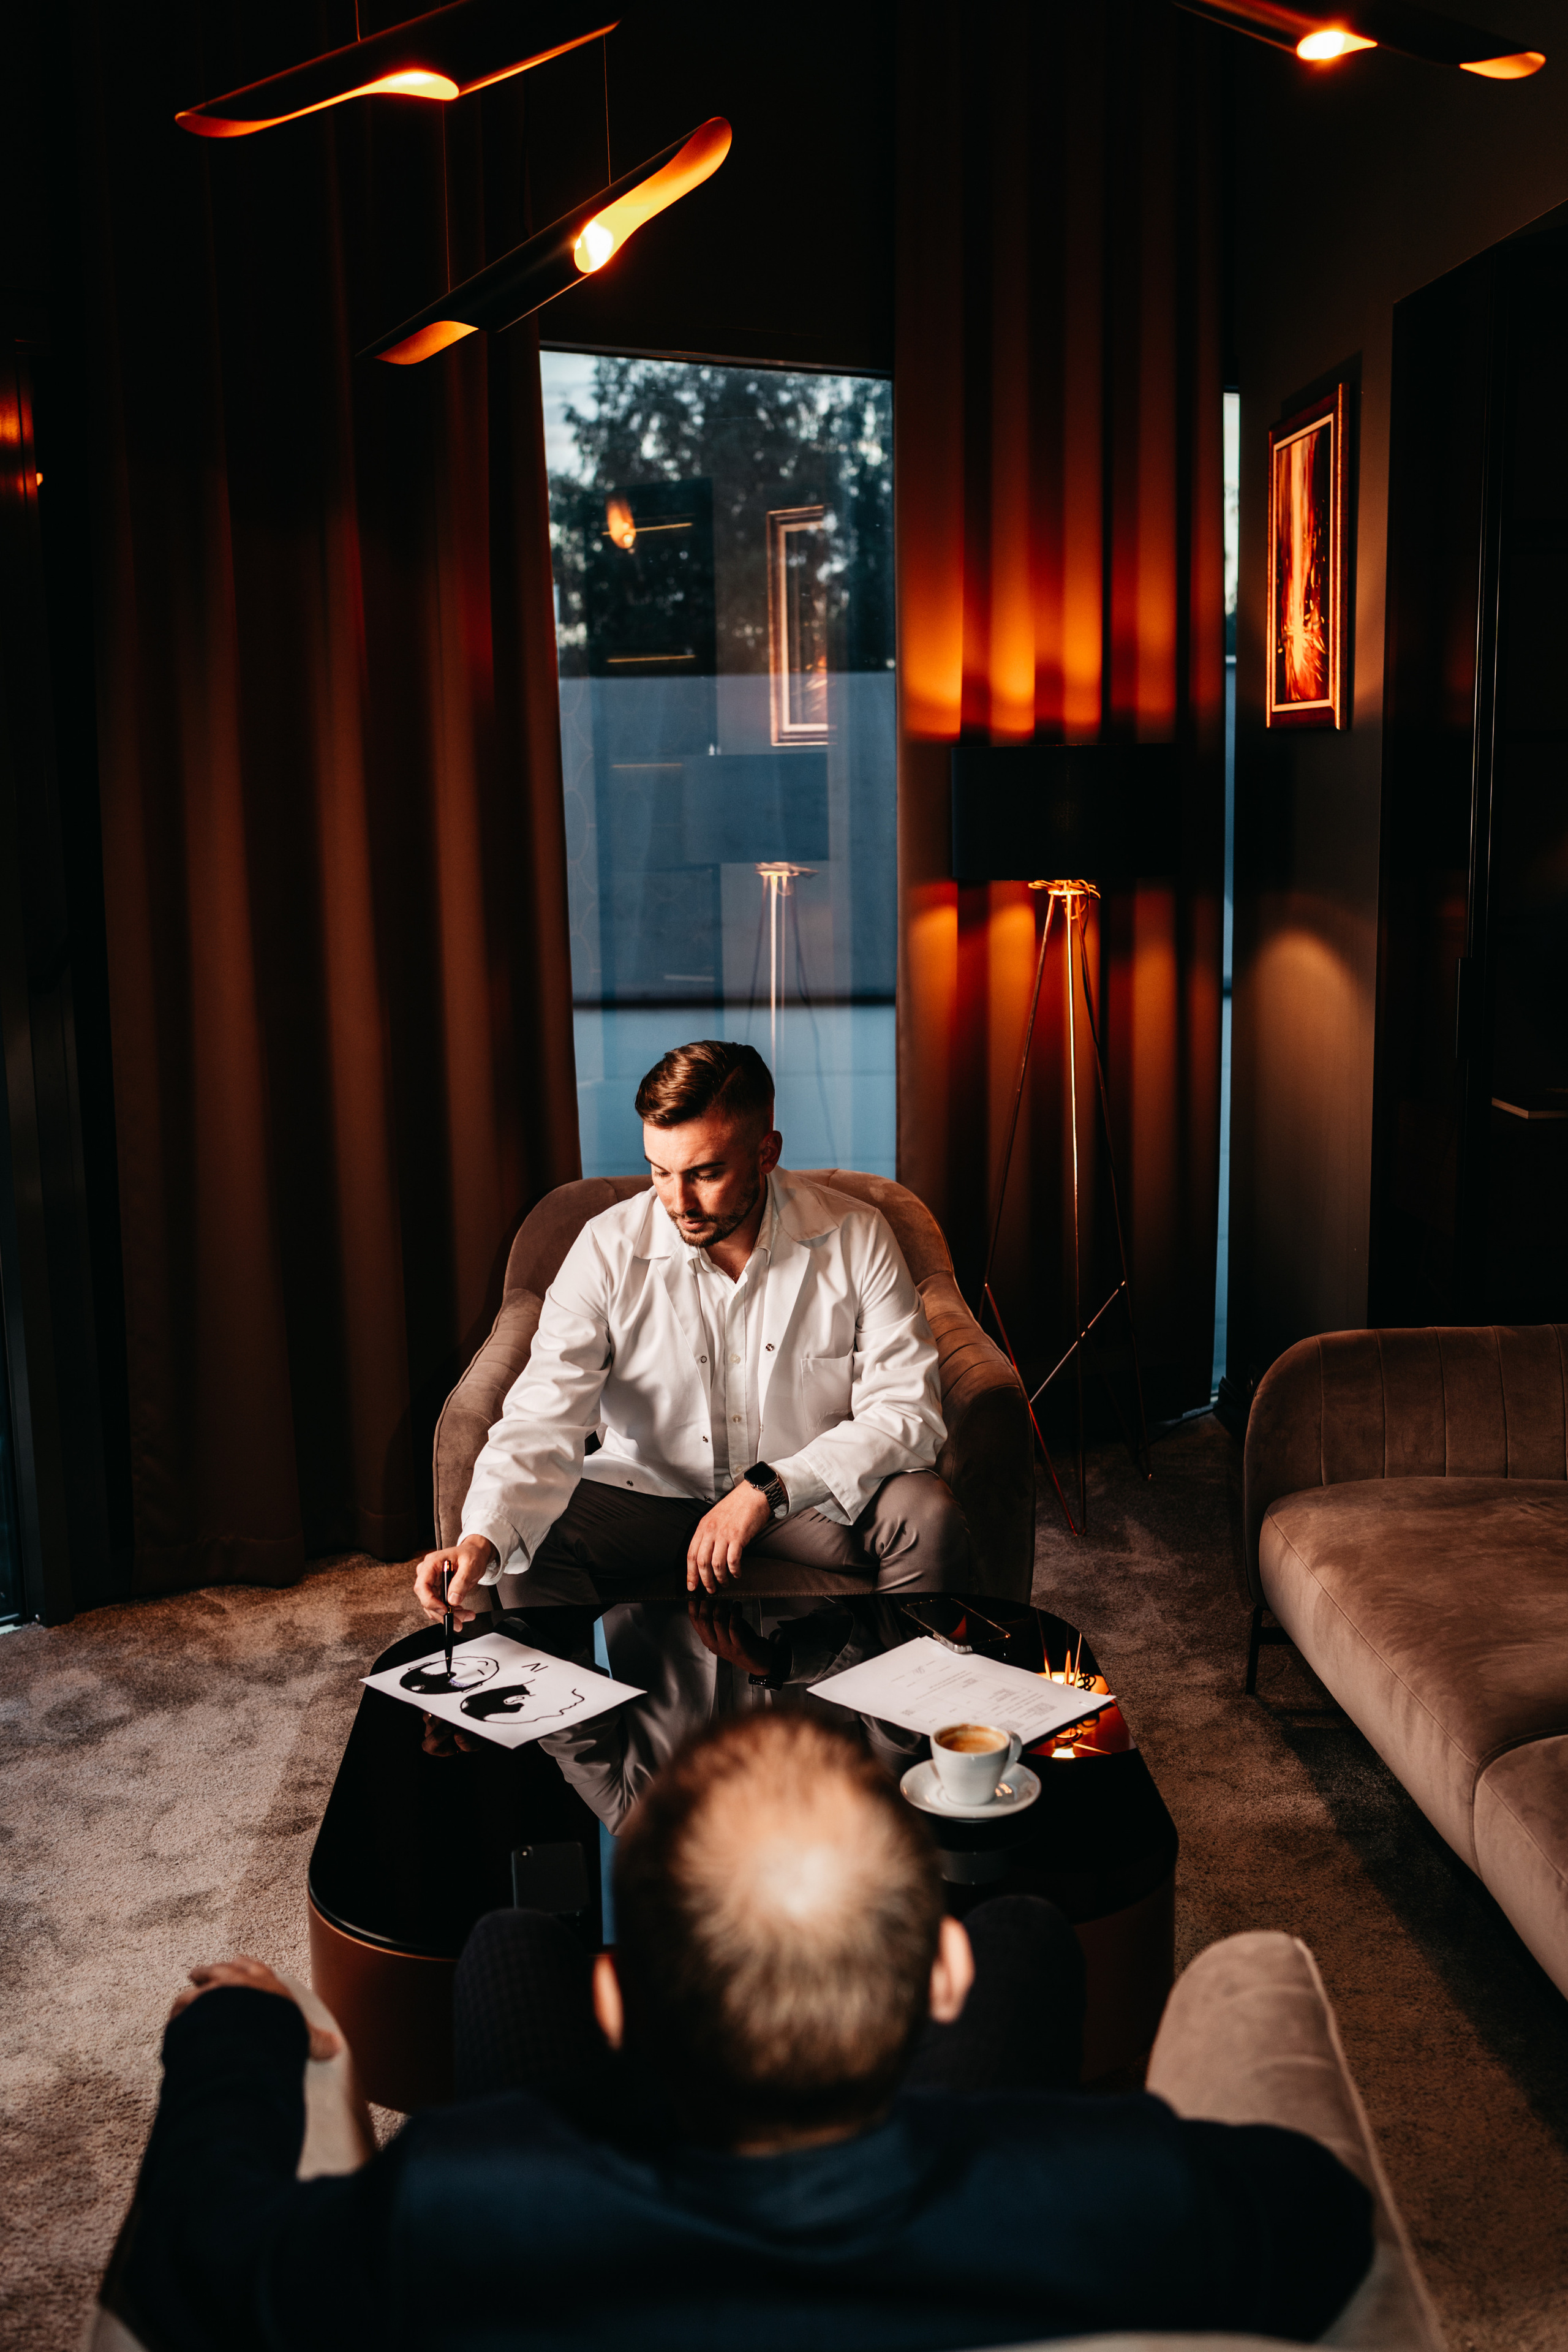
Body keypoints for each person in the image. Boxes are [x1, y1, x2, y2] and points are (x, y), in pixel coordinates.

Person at [115, 1713, 1374, 2352]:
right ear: (936, 1977)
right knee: (1032, 1930)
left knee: (506, 1946)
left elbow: (190, 2264)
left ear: (617, 2009)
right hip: (947, 2187)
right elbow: (1325, 2219)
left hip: (571, 2218)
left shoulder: (451, 2199)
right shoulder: (1111, 2186)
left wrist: (232, 2035)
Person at [413, 1039, 967, 1619]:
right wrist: (483, 1535)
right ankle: (584, 1711)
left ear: (766, 1152)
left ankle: (898, 1704)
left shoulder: (858, 1235)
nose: (679, 1202)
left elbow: (907, 1412)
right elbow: (543, 1413)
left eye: (705, 1173)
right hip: (649, 1496)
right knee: (525, 1541)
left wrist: (768, 1489)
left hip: (804, 1499)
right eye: (660, 1171)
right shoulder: (605, 1248)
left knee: (926, 1516)